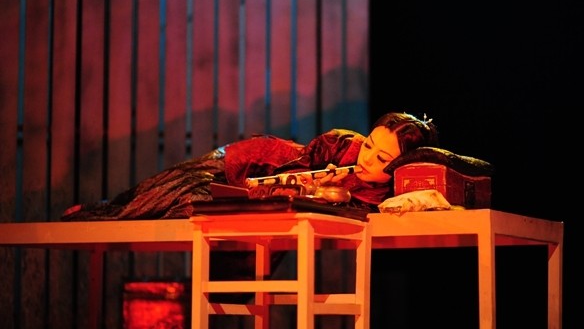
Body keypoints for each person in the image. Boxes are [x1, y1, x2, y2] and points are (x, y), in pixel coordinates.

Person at [61, 112, 439, 221]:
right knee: (159, 191)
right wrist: (320, 182)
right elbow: (287, 172)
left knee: (179, 210)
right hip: (247, 161)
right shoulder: (342, 145)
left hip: (248, 194)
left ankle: (103, 212)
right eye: (370, 145)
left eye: (381, 159)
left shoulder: (380, 196)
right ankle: (98, 210)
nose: (366, 158)